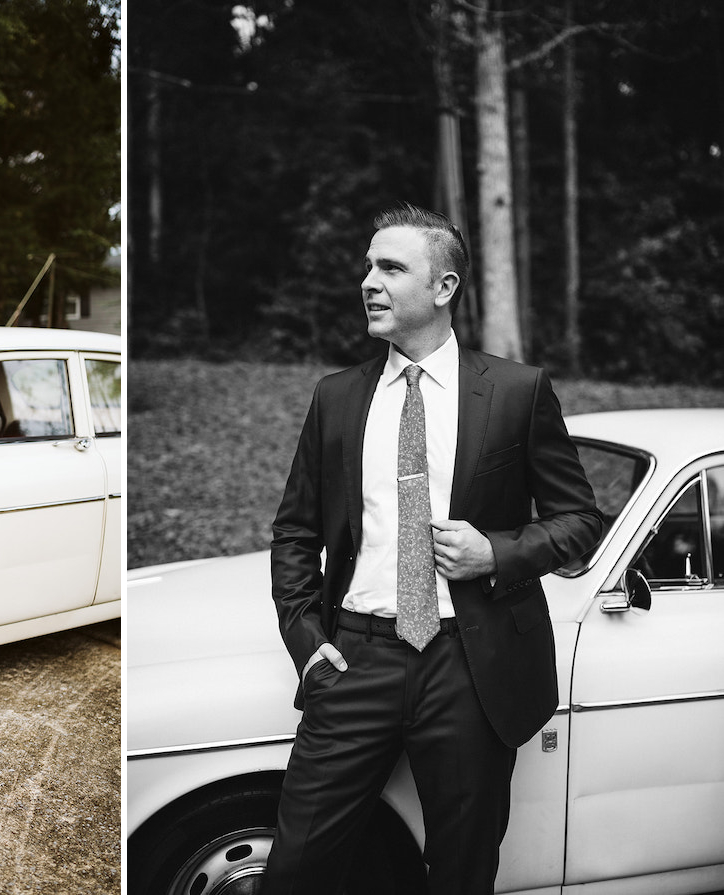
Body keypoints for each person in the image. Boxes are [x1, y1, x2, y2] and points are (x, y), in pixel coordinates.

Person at [264, 203, 603, 893]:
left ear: (444, 287)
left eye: (390, 267)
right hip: (357, 657)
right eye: (367, 265)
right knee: (297, 867)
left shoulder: (516, 391)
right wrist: (307, 639)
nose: (369, 281)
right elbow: (295, 533)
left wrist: (497, 553)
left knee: (462, 871)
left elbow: (579, 518)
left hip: (471, 666)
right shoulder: (337, 398)